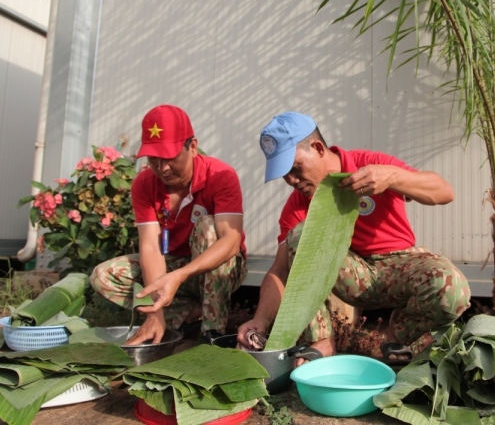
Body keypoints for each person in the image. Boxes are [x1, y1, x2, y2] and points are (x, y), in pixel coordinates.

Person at [237, 111, 471, 365]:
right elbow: (280, 271)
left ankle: (396, 337)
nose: (291, 180)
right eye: (283, 174)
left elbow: (444, 192)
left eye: (294, 168)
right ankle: (321, 340)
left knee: (452, 289)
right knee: (300, 234)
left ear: (317, 148)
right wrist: (259, 319)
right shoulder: (298, 204)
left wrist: (393, 176)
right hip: (350, 276)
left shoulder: (370, 165)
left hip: (399, 267)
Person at [90, 104, 247, 344]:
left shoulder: (221, 176)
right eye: (154, 159)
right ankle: (182, 315)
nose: (162, 168)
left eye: (170, 158)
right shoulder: (144, 184)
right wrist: (156, 310)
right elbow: (152, 248)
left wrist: (180, 276)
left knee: (207, 228)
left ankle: (212, 332)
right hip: (174, 269)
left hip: (219, 267)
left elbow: (231, 242)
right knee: (103, 275)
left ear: (192, 147)